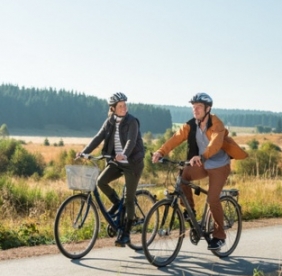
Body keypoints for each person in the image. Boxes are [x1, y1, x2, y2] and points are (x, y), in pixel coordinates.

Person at [152, 92, 248, 250]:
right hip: (202, 162)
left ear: (208, 109)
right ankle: (190, 212)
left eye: (198, 107)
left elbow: (216, 144)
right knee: (184, 177)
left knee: (212, 200)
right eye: (193, 107)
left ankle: (219, 236)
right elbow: (176, 138)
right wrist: (161, 152)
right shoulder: (191, 124)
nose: (195, 110)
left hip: (219, 164)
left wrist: (202, 157)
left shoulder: (216, 123)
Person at [77, 92, 144, 247]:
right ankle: (116, 204)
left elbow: (131, 141)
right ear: (113, 109)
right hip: (117, 162)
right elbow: (98, 137)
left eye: (125, 105)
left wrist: (124, 154)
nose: (124, 108)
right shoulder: (110, 122)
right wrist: (85, 152)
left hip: (133, 163)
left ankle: (126, 233)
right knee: (101, 181)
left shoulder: (132, 121)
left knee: (129, 198)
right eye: (120, 106)